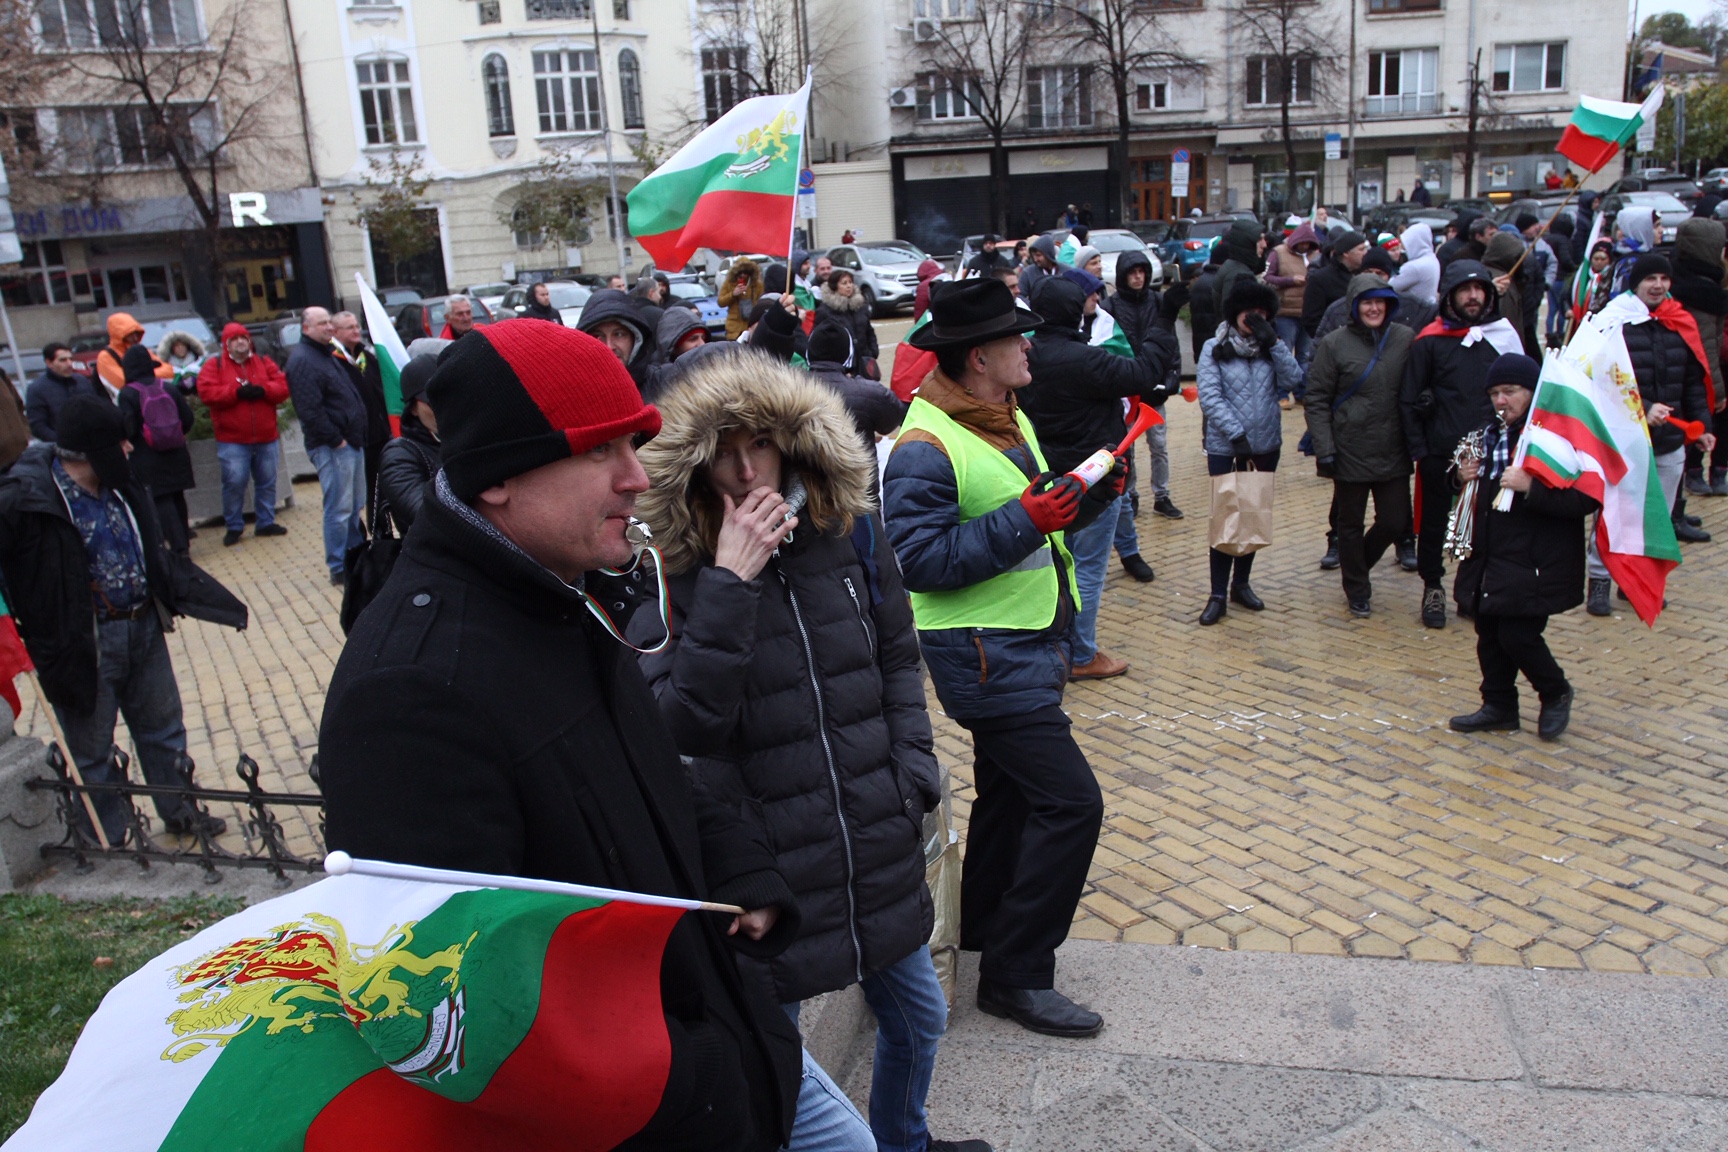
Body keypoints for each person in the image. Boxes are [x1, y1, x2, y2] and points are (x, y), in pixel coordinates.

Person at [317, 320, 805, 1152]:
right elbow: (448, 1011)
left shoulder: (558, 589)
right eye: (597, 451)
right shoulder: (412, 688)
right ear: (498, 479)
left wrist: (738, 867)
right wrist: (692, 1079)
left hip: (723, 1034)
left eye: (634, 444)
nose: (635, 477)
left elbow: (641, 771)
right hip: (657, 1107)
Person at [630, 354, 986, 1152]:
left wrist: (911, 773)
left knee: (920, 1015)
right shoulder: (667, 564)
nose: (747, 470)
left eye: (761, 443)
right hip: (769, 858)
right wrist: (731, 580)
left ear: (795, 442)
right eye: (724, 451)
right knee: (774, 1057)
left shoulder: (848, 527)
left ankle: (906, 1141)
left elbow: (897, 656)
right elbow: (680, 724)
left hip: (871, 828)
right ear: (693, 461)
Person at [882, 279, 1115, 1040]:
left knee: (1012, 798)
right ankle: (1017, 975)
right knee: (1072, 805)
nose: (1029, 347)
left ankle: (983, 929)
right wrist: (1027, 519)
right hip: (984, 656)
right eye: (1017, 338)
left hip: (1021, 644)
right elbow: (919, 561)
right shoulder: (925, 444)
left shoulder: (1001, 414)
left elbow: (1028, 514)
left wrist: (1082, 494)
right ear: (979, 356)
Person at [0, 396, 244, 844]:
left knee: (164, 729)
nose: (130, 448)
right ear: (90, 451)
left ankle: (180, 809)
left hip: (143, 624)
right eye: (120, 442)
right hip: (83, 641)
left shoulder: (121, 482)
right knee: (91, 750)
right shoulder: (26, 500)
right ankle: (107, 834)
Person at [1022, 272, 1172, 675]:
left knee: (1056, 566)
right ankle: (1081, 654)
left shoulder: (1025, 355)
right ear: (1074, 313)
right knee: (1087, 569)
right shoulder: (1084, 359)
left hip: (1045, 477)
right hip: (1095, 477)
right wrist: (1163, 324)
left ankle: (1055, 643)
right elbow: (1145, 373)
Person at [1449, 354, 1595, 741]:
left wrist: (1533, 488)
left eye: (1510, 391)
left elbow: (1586, 499)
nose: (1501, 400)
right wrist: (1459, 476)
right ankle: (1499, 706)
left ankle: (1555, 691)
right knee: (1489, 633)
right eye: (1495, 393)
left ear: (1532, 391)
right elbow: (1462, 485)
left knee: (1518, 635)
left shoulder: (1556, 438)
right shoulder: (1487, 433)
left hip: (1535, 561)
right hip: (1490, 557)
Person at [1584, 254, 1716, 614]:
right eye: (1650, 279)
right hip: (1623, 440)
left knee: (1655, 517)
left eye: (1664, 278)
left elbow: (1692, 381)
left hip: (1670, 441)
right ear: (1635, 283)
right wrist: (1642, 409)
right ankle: (1599, 580)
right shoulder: (1614, 322)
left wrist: (1702, 426)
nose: (1658, 285)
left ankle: (1637, 581)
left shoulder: (1679, 321)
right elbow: (1601, 380)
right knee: (1613, 513)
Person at [1400, 261, 1525, 629]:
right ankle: (1433, 586)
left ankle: (1472, 589)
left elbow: (1524, 390)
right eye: (1464, 290)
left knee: (1485, 523)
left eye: (1479, 289)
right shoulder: (1430, 341)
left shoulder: (1503, 336)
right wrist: (1420, 450)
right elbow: (1408, 397)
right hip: (1442, 450)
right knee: (1435, 523)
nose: (1473, 297)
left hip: (1493, 451)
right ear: (1449, 296)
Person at [1305, 276, 1414, 617]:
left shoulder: (1404, 339)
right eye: (1367, 302)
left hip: (1393, 446)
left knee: (1395, 520)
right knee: (1350, 523)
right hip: (1349, 447)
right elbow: (1317, 398)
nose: (1374, 308)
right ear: (1354, 306)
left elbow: (1419, 383)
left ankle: (1358, 565)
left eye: (1380, 301)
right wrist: (1324, 447)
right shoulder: (1334, 344)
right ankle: (1357, 588)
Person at [1195, 280, 1302, 625]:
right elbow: (1210, 396)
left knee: (1252, 512)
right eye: (1248, 311)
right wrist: (1236, 434)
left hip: (1265, 445)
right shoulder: (1214, 347)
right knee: (1226, 516)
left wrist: (1275, 344)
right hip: (1227, 448)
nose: (1253, 317)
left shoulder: (1271, 346)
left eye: (1261, 312)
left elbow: (1294, 380)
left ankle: (1241, 584)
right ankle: (1217, 593)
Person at [285, 306, 369, 586]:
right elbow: (310, 410)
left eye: (329, 323)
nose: (328, 328)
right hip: (333, 447)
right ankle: (338, 565)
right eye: (321, 323)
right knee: (339, 509)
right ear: (306, 328)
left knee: (354, 506)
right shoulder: (303, 360)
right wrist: (336, 440)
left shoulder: (324, 354)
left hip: (351, 442)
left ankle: (355, 559)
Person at [1103, 251, 1186, 521]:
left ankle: (1162, 495)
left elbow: (1170, 340)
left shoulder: (1158, 301)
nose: (1138, 277)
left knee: (1159, 445)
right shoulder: (1111, 306)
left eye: (1142, 272)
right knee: (1128, 447)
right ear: (1123, 276)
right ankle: (1132, 494)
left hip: (1155, 387)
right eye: (1132, 273)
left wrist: (1173, 373)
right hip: (1127, 391)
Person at [196, 323, 290, 546]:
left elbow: (283, 387)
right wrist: (235, 392)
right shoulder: (214, 365)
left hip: (266, 436)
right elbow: (207, 392)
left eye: (243, 338)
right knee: (234, 483)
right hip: (232, 440)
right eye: (234, 339)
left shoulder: (264, 362)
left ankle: (265, 522)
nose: (240, 342)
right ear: (226, 344)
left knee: (267, 482)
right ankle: (234, 526)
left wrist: (264, 390)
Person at [115, 344, 195, 557]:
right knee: (177, 496)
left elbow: (129, 428)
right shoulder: (168, 387)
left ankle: (178, 547)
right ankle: (185, 541)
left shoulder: (128, 393)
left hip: (147, 455)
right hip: (176, 452)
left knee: (161, 499)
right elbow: (187, 418)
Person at [1673, 219, 1728, 498]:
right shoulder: (1704, 291)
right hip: (1698, 374)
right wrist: (1718, 390)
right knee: (1698, 423)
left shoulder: (1685, 279)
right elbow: (1707, 344)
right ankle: (1692, 477)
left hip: (1696, 371)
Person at [373, 353, 441, 531]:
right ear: (413, 409)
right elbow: (427, 515)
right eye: (433, 403)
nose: (445, 408)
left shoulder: (468, 438)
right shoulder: (399, 455)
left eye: (451, 397)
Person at [332, 310, 391, 506]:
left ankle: (380, 524)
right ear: (336, 332)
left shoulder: (367, 356)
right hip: (353, 437)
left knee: (381, 490)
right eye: (350, 327)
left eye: (357, 326)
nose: (356, 330)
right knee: (356, 494)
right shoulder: (333, 361)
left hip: (378, 434)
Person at [1266, 221, 1321, 389]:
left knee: (1304, 356)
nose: (1305, 246)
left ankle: (1302, 392)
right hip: (1285, 313)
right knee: (1285, 355)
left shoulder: (1315, 255)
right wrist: (1290, 280)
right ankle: (1282, 392)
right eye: (1302, 243)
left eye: (1308, 243)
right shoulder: (1278, 253)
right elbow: (1267, 278)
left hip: (1307, 312)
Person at [26, 342, 108, 442]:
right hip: (61, 445)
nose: (69, 364)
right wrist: (61, 442)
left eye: (70, 359)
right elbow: (37, 425)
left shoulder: (82, 381)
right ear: (49, 363)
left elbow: (97, 410)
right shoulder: (37, 389)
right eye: (63, 360)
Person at [1302, 230, 1368, 352]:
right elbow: (1311, 319)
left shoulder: (1365, 276)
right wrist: (1329, 342)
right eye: (1361, 249)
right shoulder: (1320, 279)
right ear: (1346, 253)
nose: (1365, 253)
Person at [577, 288, 654, 393]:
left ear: (635, 339)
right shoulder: (573, 393)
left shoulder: (661, 386)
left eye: (618, 334)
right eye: (598, 336)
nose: (609, 347)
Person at [93, 312, 171, 398]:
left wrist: (145, 378)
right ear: (118, 335)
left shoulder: (140, 350)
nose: (135, 338)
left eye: (136, 334)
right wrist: (150, 378)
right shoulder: (106, 357)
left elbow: (169, 371)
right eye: (129, 335)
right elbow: (123, 383)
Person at [816, 268, 879, 375]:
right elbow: (819, 340)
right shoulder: (825, 311)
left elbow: (869, 331)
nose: (849, 286)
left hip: (864, 361)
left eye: (850, 282)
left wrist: (873, 352)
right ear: (835, 286)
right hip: (841, 365)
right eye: (844, 283)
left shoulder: (860, 307)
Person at [643, 307, 710, 402]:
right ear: (674, 345)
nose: (702, 344)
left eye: (703, 338)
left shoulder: (709, 369)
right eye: (693, 339)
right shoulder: (655, 380)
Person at [1212, 219, 1268, 318]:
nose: (1264, 244)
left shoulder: (1237, 267)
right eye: (1259, 239)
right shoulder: (1237, 274)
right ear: (1246, 243)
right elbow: (1231, 316)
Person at [1391, 221, 1441, 305]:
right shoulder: (1432, 259)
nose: (1403, 247)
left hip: (1412, 309)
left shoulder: (1414, 267)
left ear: (1413, 242)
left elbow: (1390, 286)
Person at [720, 258, 764, 340]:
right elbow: (721, 302)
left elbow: (762, 303)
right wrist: (733, 294)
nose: (743, 275)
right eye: (740, 272)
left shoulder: (757, 285)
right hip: (734, 329)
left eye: (746, 272)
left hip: (751, 328)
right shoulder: (729, 283)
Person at [1019, 235, 1060, 301]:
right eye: (1033, 256)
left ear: (1048, 254)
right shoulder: (1028, 273)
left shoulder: (1065, 270)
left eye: (1038, 255)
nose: (1035, 259)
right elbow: (1020, 296)